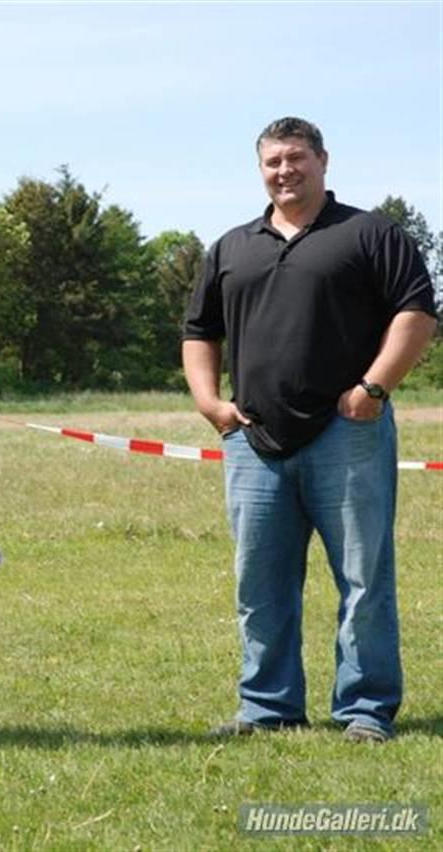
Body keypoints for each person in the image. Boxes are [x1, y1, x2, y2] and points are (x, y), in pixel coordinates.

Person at [182, 117, 436, 743]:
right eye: (272, 161)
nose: (284, 170)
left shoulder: (369, 234)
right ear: (260, 169)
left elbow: (416, 313)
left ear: (323, 161)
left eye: (296, 158)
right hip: (253, 441)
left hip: (346, 432)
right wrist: (211, 404)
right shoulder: (232, 246)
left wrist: (372, 389)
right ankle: (267, 708)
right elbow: (198, 333)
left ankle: (365, 711)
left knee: (362, 579)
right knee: (260, 584)